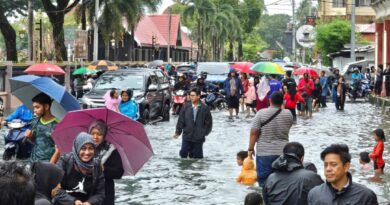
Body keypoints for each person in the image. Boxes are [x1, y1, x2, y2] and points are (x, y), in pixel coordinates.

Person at [248, 91, 294, 187]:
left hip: (264, 153)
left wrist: (250, 149)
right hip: (283, 153)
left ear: (270, 101)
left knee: (264, 183)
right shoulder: (288, 114)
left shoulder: (261, 113)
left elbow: (253, 133)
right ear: (282, 102)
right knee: (282, 183)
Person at [308, 144, 378, 205]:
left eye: (333, 164)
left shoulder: (365, 196)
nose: (328, 169)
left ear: (346, 167)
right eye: (325, 165)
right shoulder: (314, 194)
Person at [55, 132, 105, 205]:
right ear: (77, 148)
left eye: (90, 148)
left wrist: (89, 202)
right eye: (83, 148)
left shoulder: (97, 165)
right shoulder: (65, 162)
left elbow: (100, 194)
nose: (87, 152)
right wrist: (74, 201)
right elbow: (55, 190)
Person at [89, 120, 124, 205]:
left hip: (105, 192)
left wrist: (103, 168)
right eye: (93, 133)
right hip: (88, 192)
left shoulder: (111, 150)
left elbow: (119, 172)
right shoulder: (85, 149)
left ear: (104, 135)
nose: (95, 137)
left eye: (99, 134)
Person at [174, 88, 213, 159]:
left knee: (197, 157)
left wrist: (204, 133)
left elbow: (209, 123)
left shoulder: (205, 108)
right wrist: (178, 132)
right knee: (183, 153)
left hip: (198, 137)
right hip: (187, 135)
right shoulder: (186, 106)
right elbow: (181, 120)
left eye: (193, 95)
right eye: (190, 95)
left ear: (198, 96)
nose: (190, 97)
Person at [25, 93, 60, 163]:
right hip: (33, 162)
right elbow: (34, 141)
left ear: (46, 107)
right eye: (34, 107)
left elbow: (58, 151)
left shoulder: (57, 125)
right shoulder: (35, 121)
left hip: (47, 164)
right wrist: (29, 137)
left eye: (37, 107)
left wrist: (49, 168)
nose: (34, 110)